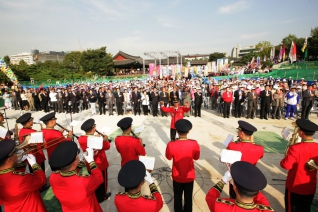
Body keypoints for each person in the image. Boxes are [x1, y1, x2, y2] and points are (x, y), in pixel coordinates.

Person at [49, 142, 103, 212]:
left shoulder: (53, 177)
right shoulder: (84, 182)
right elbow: (99, 178)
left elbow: (69, 173)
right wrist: (91, 161)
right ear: (74, 162)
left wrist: (80, 163)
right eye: (77, 156)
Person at [280, 119, 318, 212]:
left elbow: (286, 166)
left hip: (295, 185)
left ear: (301, 132)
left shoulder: (295, 148)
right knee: (305, 208)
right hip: (310, 186)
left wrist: (285, 158)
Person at [205, 161, 273, 212]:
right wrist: (250, 183)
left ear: (234, 187)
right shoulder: (266, 210)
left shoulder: (220, 207)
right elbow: (260, 198)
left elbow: (210, 197)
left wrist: (225, 179)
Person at [0, 139, 47, 212]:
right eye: (15, 152)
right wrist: (34, 164)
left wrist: (18, 163)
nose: (17, 153)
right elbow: (41, 180)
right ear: (9, 159)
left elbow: (12, 174)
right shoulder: (21, 179)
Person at [166, 119, 200, 212]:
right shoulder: (194, 143)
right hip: (189, 176)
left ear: (176, 131)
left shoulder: (171, 144)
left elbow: (168, 157)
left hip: (177, 175)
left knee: (177, 196)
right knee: (188, 196)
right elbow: (196, 158)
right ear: (188, 131)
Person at [226, 120, 264, 198]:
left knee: (233, 198)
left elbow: (227, 153)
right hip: (251, 178)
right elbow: (260, 156)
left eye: (238, 131)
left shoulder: (232, 145)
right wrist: (252, 143)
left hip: (236, 178)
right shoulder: (260, 149)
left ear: (242, 133)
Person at [78, 119, 112, 202]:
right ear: (93, 129)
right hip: (100, 164)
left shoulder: (81, 139)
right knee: (102, 182)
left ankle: (96, 195)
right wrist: (105, 140)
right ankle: (102, 197)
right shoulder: (98, 140)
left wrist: (96, 138)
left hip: (89, 164)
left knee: (93, 180)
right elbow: (107, 146)